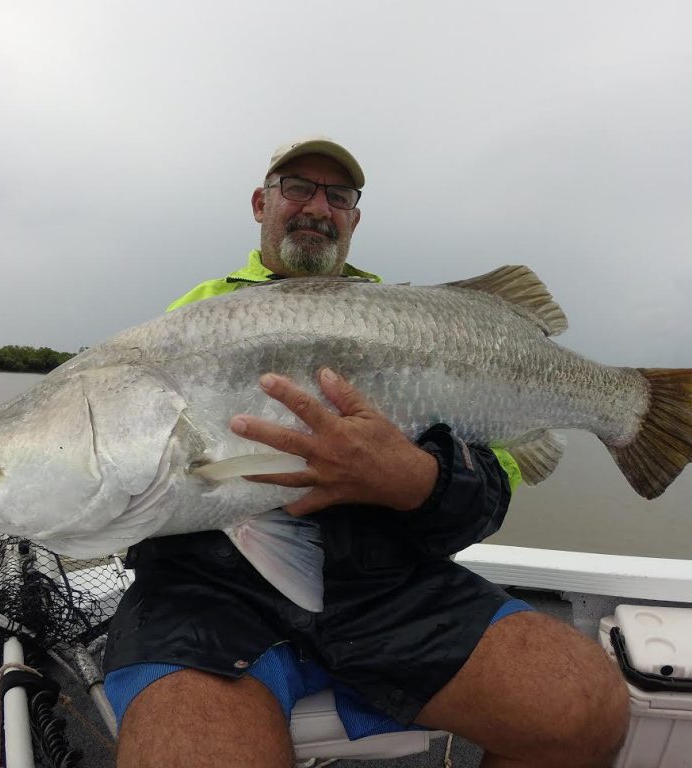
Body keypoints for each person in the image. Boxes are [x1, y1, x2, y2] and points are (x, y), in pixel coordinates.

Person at [102, 136, 629, 767]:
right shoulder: (197, 313)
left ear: (354, 217)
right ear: (260, 203)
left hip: (384, 589)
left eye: (338, 195)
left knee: (585, 707)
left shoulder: (418, 317)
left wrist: (422, 481)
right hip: (207, 593)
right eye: (297, 187)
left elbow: (488, 499)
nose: (317, 207)